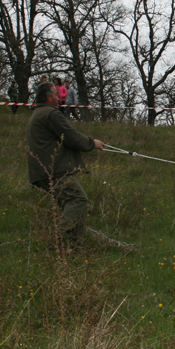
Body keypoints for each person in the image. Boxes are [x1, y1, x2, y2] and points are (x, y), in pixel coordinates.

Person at [27, 81, 105, 247]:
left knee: (71, 203)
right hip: (53, 170)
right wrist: (92, 143)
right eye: (56, 95)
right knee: (78, 200)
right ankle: (58, 240)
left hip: (43, 170)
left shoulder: (38, 113)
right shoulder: (51, 114)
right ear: (49, 98)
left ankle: (73, 246)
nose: (59, 98)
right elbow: (71, 136)